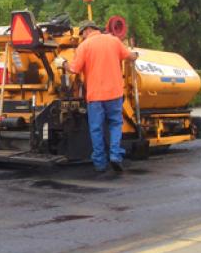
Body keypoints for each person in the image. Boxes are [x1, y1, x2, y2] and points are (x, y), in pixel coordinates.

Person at [54, 20, 138, 173]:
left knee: (96, 129)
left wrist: (62, 63)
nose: (83, 37)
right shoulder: (114, 41)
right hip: (115, 94)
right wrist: (135, 55)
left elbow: (74, 69)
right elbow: (129, 56)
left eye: (82, 34)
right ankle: (115, 156)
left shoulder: (84, 46)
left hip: (95, 97)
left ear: (87, 30)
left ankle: (100, 163)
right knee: (115, 125)